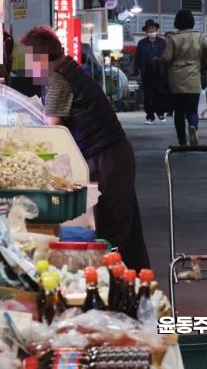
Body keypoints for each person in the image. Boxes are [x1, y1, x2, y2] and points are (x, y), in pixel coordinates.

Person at [20, 26, 150, 271]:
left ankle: (118, 288)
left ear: (39, 56)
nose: (26, 66)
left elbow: (52, 127)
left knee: (114, 228)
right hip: (112, 153)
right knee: (125, 228)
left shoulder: (58, 75)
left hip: (107, 156)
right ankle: (132, 284)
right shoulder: (67, 68)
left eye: (27, 57)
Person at [155, 10, 207, 146]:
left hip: (176, 79)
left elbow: (167, 57)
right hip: (194, 77)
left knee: (179, 112)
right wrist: (205, 65)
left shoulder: (173, 38)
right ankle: (193, 127)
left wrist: (156, 61)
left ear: (177, 22)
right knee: (192, 110)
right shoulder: (199, 37)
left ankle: (182, 140)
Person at [133, 19, 168, 124]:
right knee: (148, 95)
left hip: (160, 72)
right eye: (149, 29)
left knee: (160, 93)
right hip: (147, 72)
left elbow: (167, 57)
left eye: (153, 28)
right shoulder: (142, 43)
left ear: (156, 29)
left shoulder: (162, 42)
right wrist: (136, 71)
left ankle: (161, 113)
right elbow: (137, 59)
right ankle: (150, 116)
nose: (151, 30)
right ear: (146, 31)